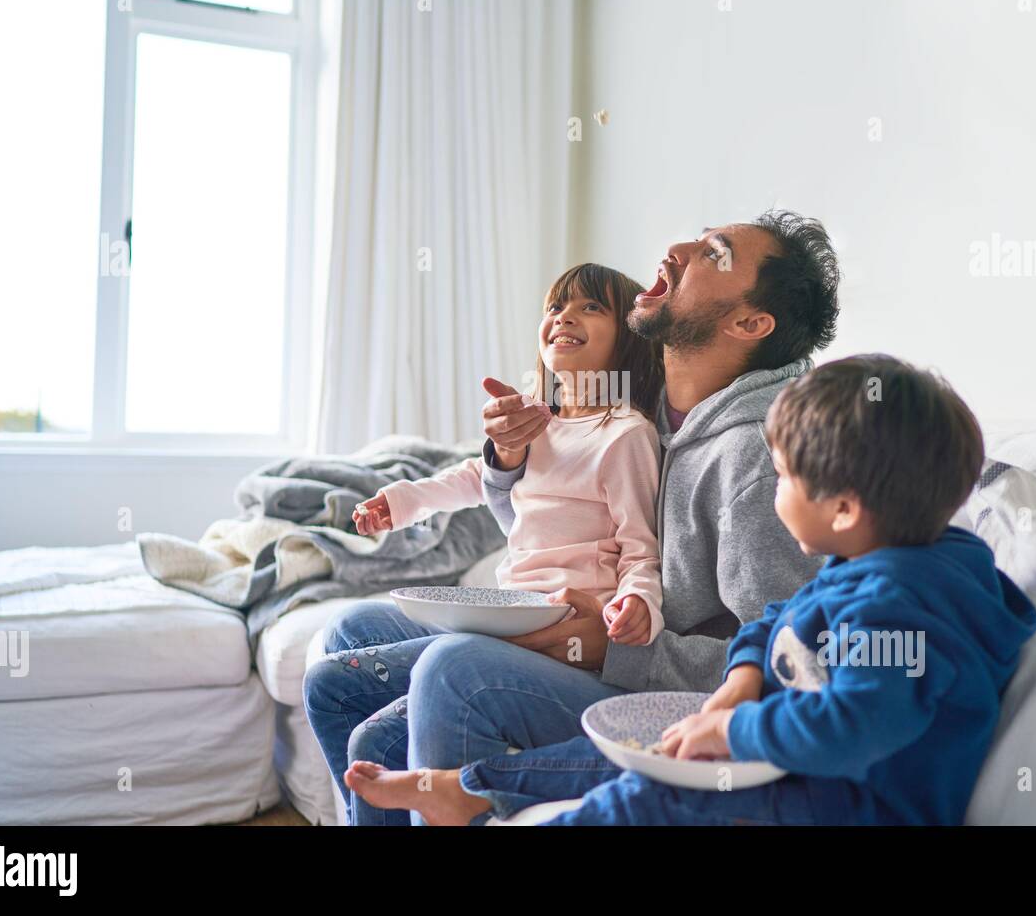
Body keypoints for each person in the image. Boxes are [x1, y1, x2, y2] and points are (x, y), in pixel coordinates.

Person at [305, 210, 841, 825]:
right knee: (356, 633)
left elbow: (795, 658)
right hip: (578, 620)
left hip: (654, 680)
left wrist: (610, 649)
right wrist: (506, 465)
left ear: (749, 323)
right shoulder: (645, 403)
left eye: (713, 254)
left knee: (455, 672)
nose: (676, 247)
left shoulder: (758, 459)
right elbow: (558, 527)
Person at [342, 355, 1036, 825]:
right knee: (635, 745)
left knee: (649, 792)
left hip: (838, 802)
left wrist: (734, 728)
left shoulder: (904, 607)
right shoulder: (878, 557)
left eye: (786, 479)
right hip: (787, 762)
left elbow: (856, 726)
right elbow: (777, 619)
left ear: (845, 507)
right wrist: (739, 681)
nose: (776, 494)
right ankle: (468, 788)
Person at [304, 262, 664, 824]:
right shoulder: (534, 423)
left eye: (591, 307)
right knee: (351, 652)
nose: (564, 316)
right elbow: (471, 479)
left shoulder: (627, 435)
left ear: (629, 340)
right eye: (555, 306)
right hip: (508, 611)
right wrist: (396, 503)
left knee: (333, 690)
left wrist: (639, 602)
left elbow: (643, 549)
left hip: (559, 626)